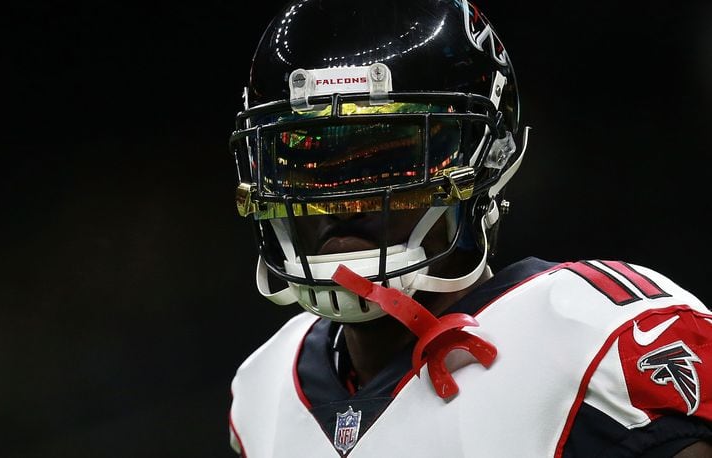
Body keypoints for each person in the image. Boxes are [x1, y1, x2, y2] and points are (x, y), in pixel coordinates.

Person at [225, 0, 712, 456]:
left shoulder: (594, 337)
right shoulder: (262, 390)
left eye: (394, 158)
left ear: (487, 160)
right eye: (307, 164)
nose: (343, 202)